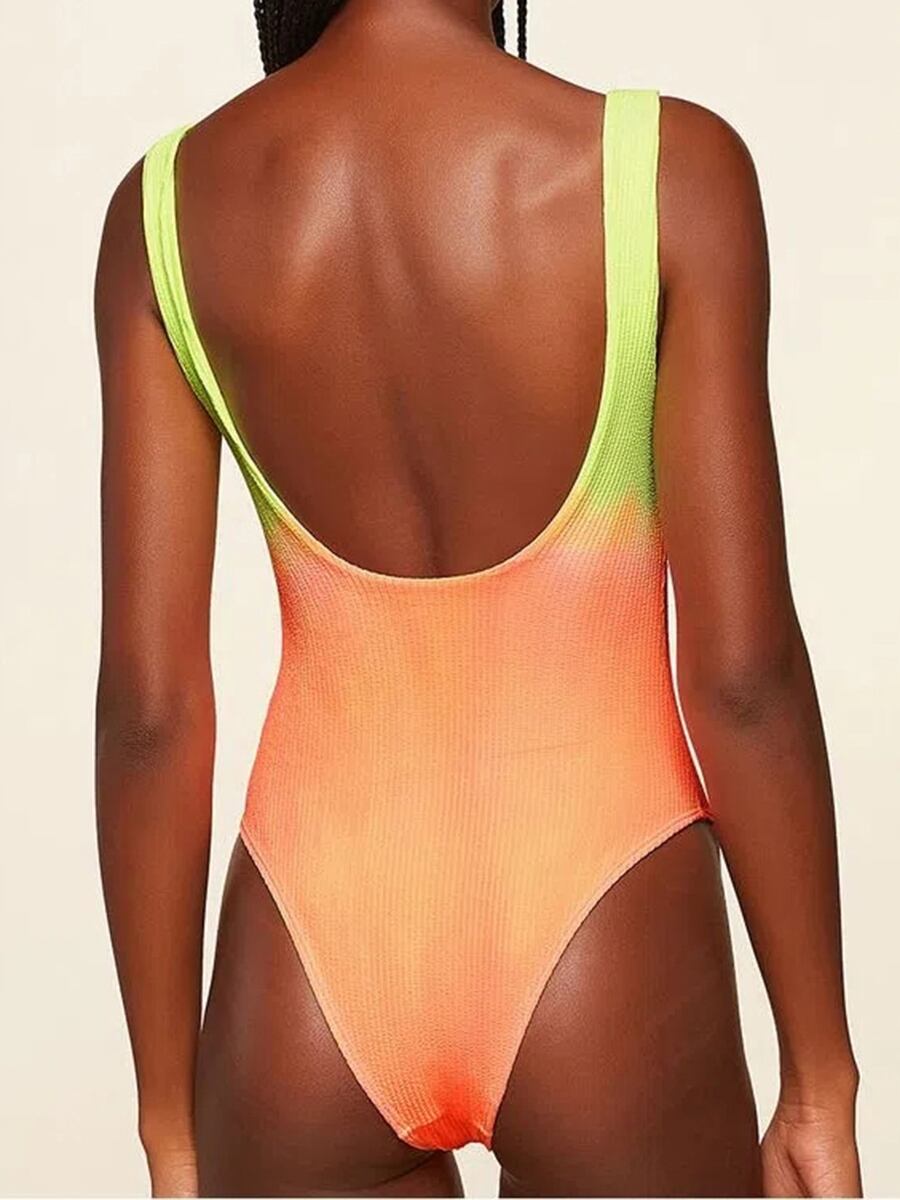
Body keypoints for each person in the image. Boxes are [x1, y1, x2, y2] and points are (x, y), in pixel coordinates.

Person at [93, 1, 862, 1195]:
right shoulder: (665, 173)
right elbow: (744, 678)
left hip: (305, 959)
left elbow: (149, 714)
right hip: (609, 935)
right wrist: (820, 1078)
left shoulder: (163, 217)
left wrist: (168, 1117)